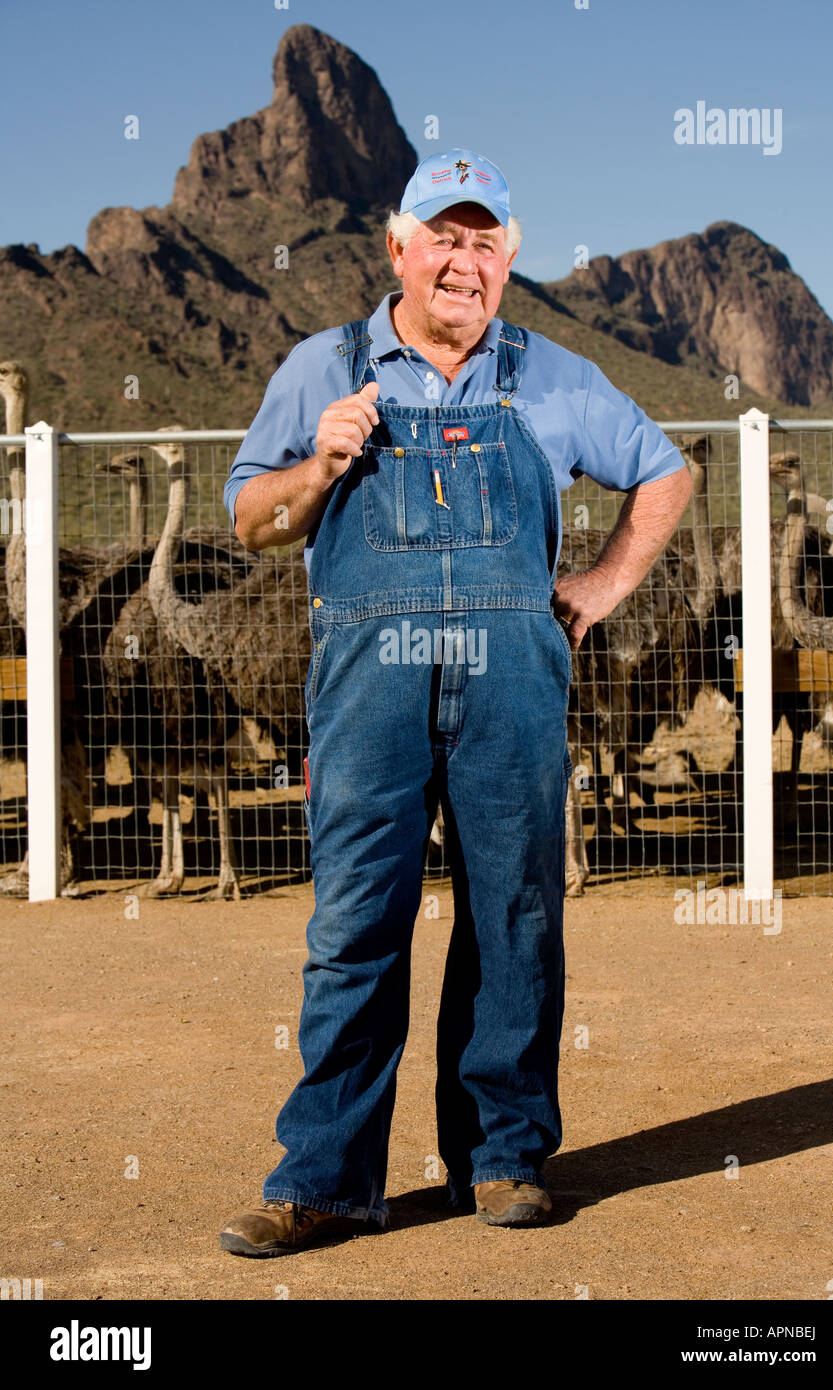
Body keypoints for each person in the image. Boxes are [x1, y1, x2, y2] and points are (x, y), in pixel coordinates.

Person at [218, 149, 692, 1257]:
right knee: (354, 926)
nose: (462, 262)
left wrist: (598, 586)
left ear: (507, 261)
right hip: (367, 689)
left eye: (484, 243)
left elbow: (665, 473)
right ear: (398, 247)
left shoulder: (554, 377)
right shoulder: (321, 368)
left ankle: (502, 1158)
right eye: (443, 237)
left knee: (514, 916)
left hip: (511, 690)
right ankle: (325, 1181)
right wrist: (317, 468)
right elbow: (248, 519)